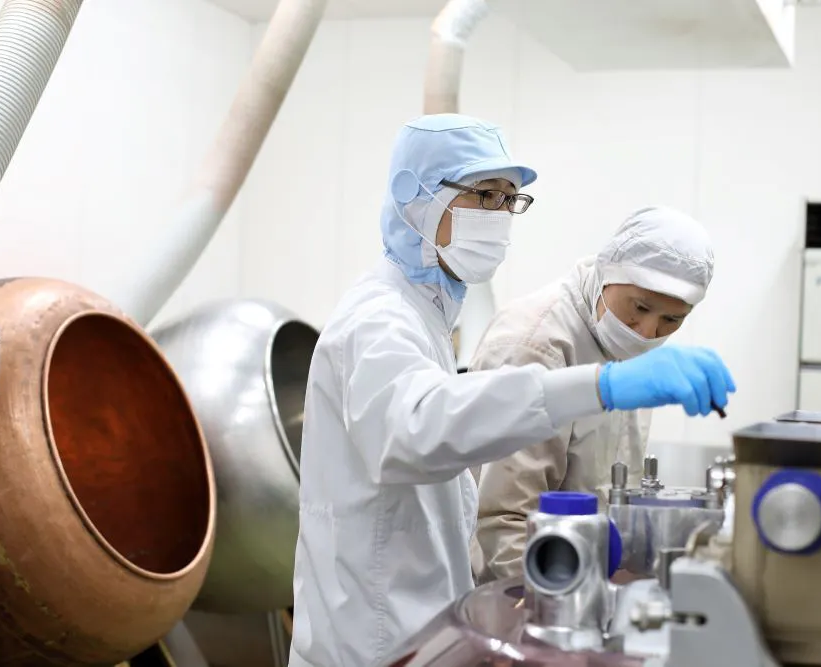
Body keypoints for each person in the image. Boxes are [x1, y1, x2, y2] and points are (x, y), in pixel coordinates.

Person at [289, 114, 736, 667]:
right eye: (484, 195)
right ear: (415, 197)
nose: (499, 217)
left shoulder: (425, 318)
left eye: (509, 200)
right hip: (369, 643)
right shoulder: (378, 319)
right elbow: (417, 429)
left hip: (417, 630)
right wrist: (599, 385)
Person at [470, 206, 716, 584]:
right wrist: (563, 600)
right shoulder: (535, 346)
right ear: (607, 271)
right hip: (522, 590)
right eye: (640, 307)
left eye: (672, 320)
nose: (646, 331)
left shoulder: (626, 348)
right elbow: (504, 523)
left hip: (581, 577)